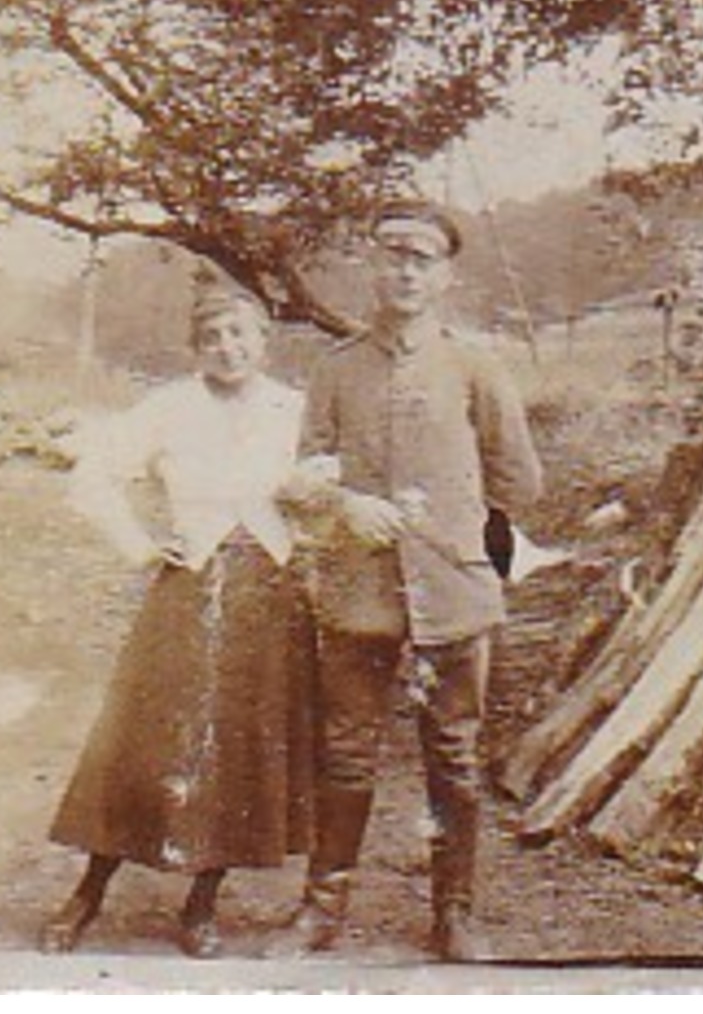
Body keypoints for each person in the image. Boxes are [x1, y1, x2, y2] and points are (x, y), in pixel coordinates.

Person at [278, 201, 542, 961]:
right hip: (358, 592)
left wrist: (456, 531)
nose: (403, 271)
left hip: (451, 593)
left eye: (420, 260)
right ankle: (320, 911)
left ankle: (453, 915)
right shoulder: (336, 368)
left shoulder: (473, 365)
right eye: (391, 256)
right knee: (346, 752)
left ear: (445, 276)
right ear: (372, 267)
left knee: (453, 755)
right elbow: (305, 474)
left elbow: (518, 479)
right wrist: (343, 502)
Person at [40, 277, 315, 958]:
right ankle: (87, 893)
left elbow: (329, 486)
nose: (227, 348)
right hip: (189, 587)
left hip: (267, 593)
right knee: (145, 742)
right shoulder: (169, 407)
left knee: (239, 750)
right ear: (196, 349)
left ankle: (201, 903)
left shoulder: (295, 410)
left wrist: (312, 527)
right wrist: (139, 545)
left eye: (240, 335)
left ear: (263, 341)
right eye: (212, 338)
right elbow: (92, 476)